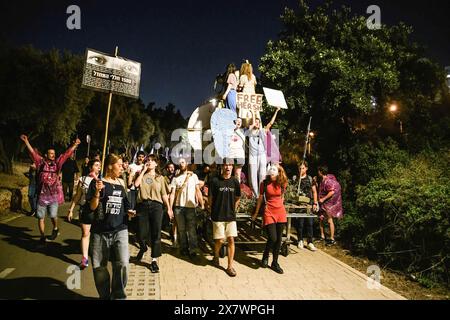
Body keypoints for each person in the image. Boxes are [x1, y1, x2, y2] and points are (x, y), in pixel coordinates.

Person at [87, 154, 133, 299]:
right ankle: (105, 296)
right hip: (100, 231)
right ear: (109, 166)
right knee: (99, 267)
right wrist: (97, 192)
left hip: (120, 229)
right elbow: (93, 207)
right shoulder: (97, 183)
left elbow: (126, 205)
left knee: (123, 264)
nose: (122, 167)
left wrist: (130, 211)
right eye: (119, 164)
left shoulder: (121, 182)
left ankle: (118, 296)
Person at [20, 134, 80, 244]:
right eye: (51, 153)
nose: (53, 155)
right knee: (40, 217)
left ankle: (55, 228)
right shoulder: (40, 163)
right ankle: (42, 236)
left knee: (52, 215)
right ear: (46, 154)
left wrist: (74, 145)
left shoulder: (57, 164)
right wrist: (26, 142)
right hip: (42, 196)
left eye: (54, 153)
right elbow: (33, 153)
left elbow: (66, 155)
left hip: (53, 196)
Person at [133, 155, 173, 273]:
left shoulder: (161, 178)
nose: (149, 162)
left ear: (156, 164)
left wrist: (169, 208)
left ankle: (154, 260)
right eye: (148, 161)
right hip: (143, 206)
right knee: (141, 232)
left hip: (157, 206)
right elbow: (136, 185)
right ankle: (143, 247)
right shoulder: (142, 175)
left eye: (152, 161)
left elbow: (164, 194)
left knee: (156, 234)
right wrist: (144, 170)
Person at [252, 164, 288, 274]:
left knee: (279, 239)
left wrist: (281, 205)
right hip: (269, 212)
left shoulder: (282, 182)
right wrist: (256, 213)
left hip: (280, 212)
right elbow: (260, 199)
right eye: (270, 174)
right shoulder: (264, 183)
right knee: (272, 238)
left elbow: (282, 196)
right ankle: (265, 256)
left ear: (277, 174)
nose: (272, 176)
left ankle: (275, 262)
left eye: (274, 174)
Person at [208, 162, 241, 277]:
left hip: (231, 216)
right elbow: (210, 198)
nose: (228, 167)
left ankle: (230, 267)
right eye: (225, 165)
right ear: (221, 167)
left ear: (232, 167)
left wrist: (234, 209)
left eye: (230, 165)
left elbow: (237, 198)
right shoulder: (215, 181)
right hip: (218, 215)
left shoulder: (235, 181)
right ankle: (216, 256)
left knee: (231, 240)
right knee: (220, 240)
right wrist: (212, 211)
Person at [67, 159, 101, 269]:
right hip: (85, 208)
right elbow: (78, 195)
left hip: (98, 210)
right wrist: (71, 209)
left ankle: (96, 254)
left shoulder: (102, 180)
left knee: (97, 234)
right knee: (85, 233)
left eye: (99, 166)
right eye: (96, 165)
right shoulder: (83, 179)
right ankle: (85, 258)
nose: (98, 167)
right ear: (90, 167)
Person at [169, 158, 204, 258]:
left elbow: (198, 190)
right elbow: (172, 194)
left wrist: (202, 204)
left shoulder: (193, 176)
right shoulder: (175, 178)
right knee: (181, 230)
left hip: (190, 207)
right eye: (179, 163)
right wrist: (170, 208)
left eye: (183, 162)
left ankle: (193, 250)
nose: (181, 164)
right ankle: (183, 248)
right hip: (179, 207)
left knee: (192, 229)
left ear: (187, 164)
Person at [247, 107, 281, 198]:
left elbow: (271, 123)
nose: (257, 124)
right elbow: (253, 124)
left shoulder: (262, 131)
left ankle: (262, 194)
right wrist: (254, 113)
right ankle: (255, 195)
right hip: (253, 155)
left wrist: (276, 111)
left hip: (262, 155)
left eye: (258, 122)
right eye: (256, 122)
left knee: (262, 174)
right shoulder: (250, 130)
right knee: (253, 175)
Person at [295, 161, 318, 251]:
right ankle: (300, 240)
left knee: (310, 223)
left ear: (306, 168)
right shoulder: (295, 178)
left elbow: (314, 191)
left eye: (303, 168)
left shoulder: (309, 179)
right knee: (300, 224)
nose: (301, 170)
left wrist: (315, 203)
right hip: (299, 205)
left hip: (309, 204)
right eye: (300, 168)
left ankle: (310, 242)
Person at [317, 165, 344, 246]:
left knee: (329, 220)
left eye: (318, 171)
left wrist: (323, 199)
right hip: (324, 204)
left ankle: (332, 239)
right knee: (321, 218)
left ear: (321, 172)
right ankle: (322, 236)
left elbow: (331, 192)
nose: (317, 172)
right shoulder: (323, 180)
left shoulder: (328, 181)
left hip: (328, 204)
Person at [228, 118, 245, 182]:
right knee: (228, 173)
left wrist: (253, 112)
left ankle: (237, 190)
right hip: (230, 155)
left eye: (240, 121)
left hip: (239, 155)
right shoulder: (228, 131)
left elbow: (253, 125)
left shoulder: (244, 131)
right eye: (237, 121)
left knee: (237, 174)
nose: (239, 122)